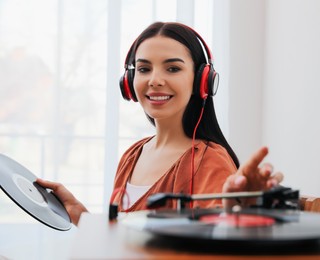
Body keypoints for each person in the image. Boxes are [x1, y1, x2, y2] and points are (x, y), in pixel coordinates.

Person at [36, 22, 283, 226]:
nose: (154, 80)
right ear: (129, 81)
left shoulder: (209, 160)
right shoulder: (132, 155)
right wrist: (81, 216)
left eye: (173, 68)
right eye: (144, 69)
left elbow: (217, 243)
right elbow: (124, 240)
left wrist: (243, 210)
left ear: (202, 81)